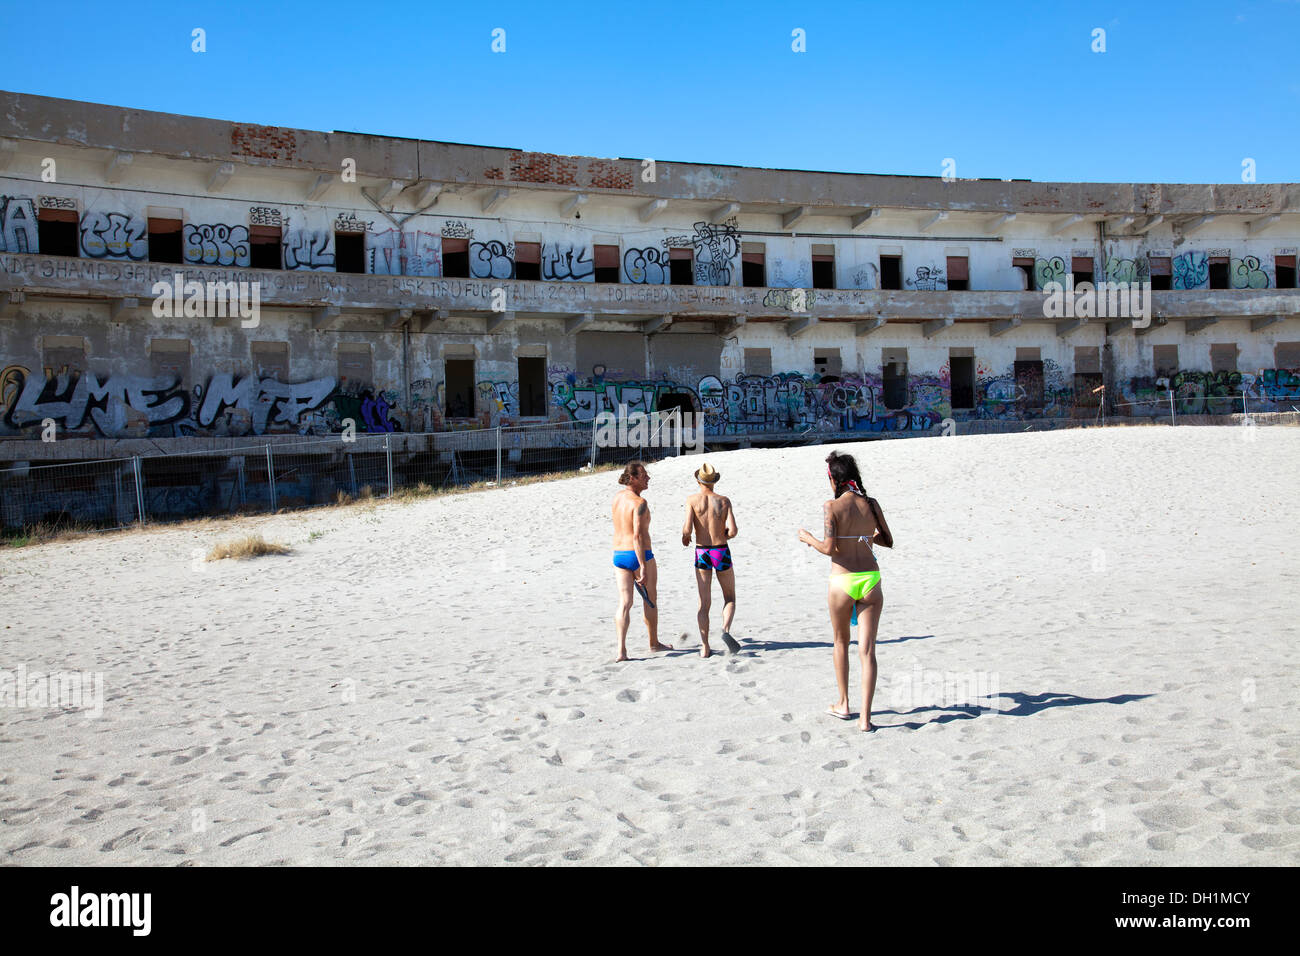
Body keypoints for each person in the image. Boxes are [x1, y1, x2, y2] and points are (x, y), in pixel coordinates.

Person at [797, 451, 894, 732]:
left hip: (842, 580)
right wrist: (865, 538)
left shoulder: (831, 506)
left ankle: (843, 703)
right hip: (871, 580)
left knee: (841, 642)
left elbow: (829, 548)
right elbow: (887, 539)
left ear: (833, 478)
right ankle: (866, 719)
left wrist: (808, 538)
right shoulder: (871, 504)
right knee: (868, 650)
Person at [612, 460, 673, 661]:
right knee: (650, 600)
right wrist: (643, 567)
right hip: (639, 555)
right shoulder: (639, 503)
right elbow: (638, 536)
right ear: (632, 478)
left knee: (625, 603)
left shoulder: (617, 498)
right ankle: (654, 643)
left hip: (619, 555)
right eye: (643, 475)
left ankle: (621, 650)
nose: (648, 478)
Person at [680, 462, 740, 658]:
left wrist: (686, 537)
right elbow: (733, 530)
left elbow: (687, 528)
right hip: (720, 550)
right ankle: (725, 630)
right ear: (714, 481)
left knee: (704, 602)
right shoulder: (724, 501)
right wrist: (725, 536)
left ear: (698, 480)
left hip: (702, 552)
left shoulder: (692, 500)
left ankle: (705, 646)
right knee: (729, 597)